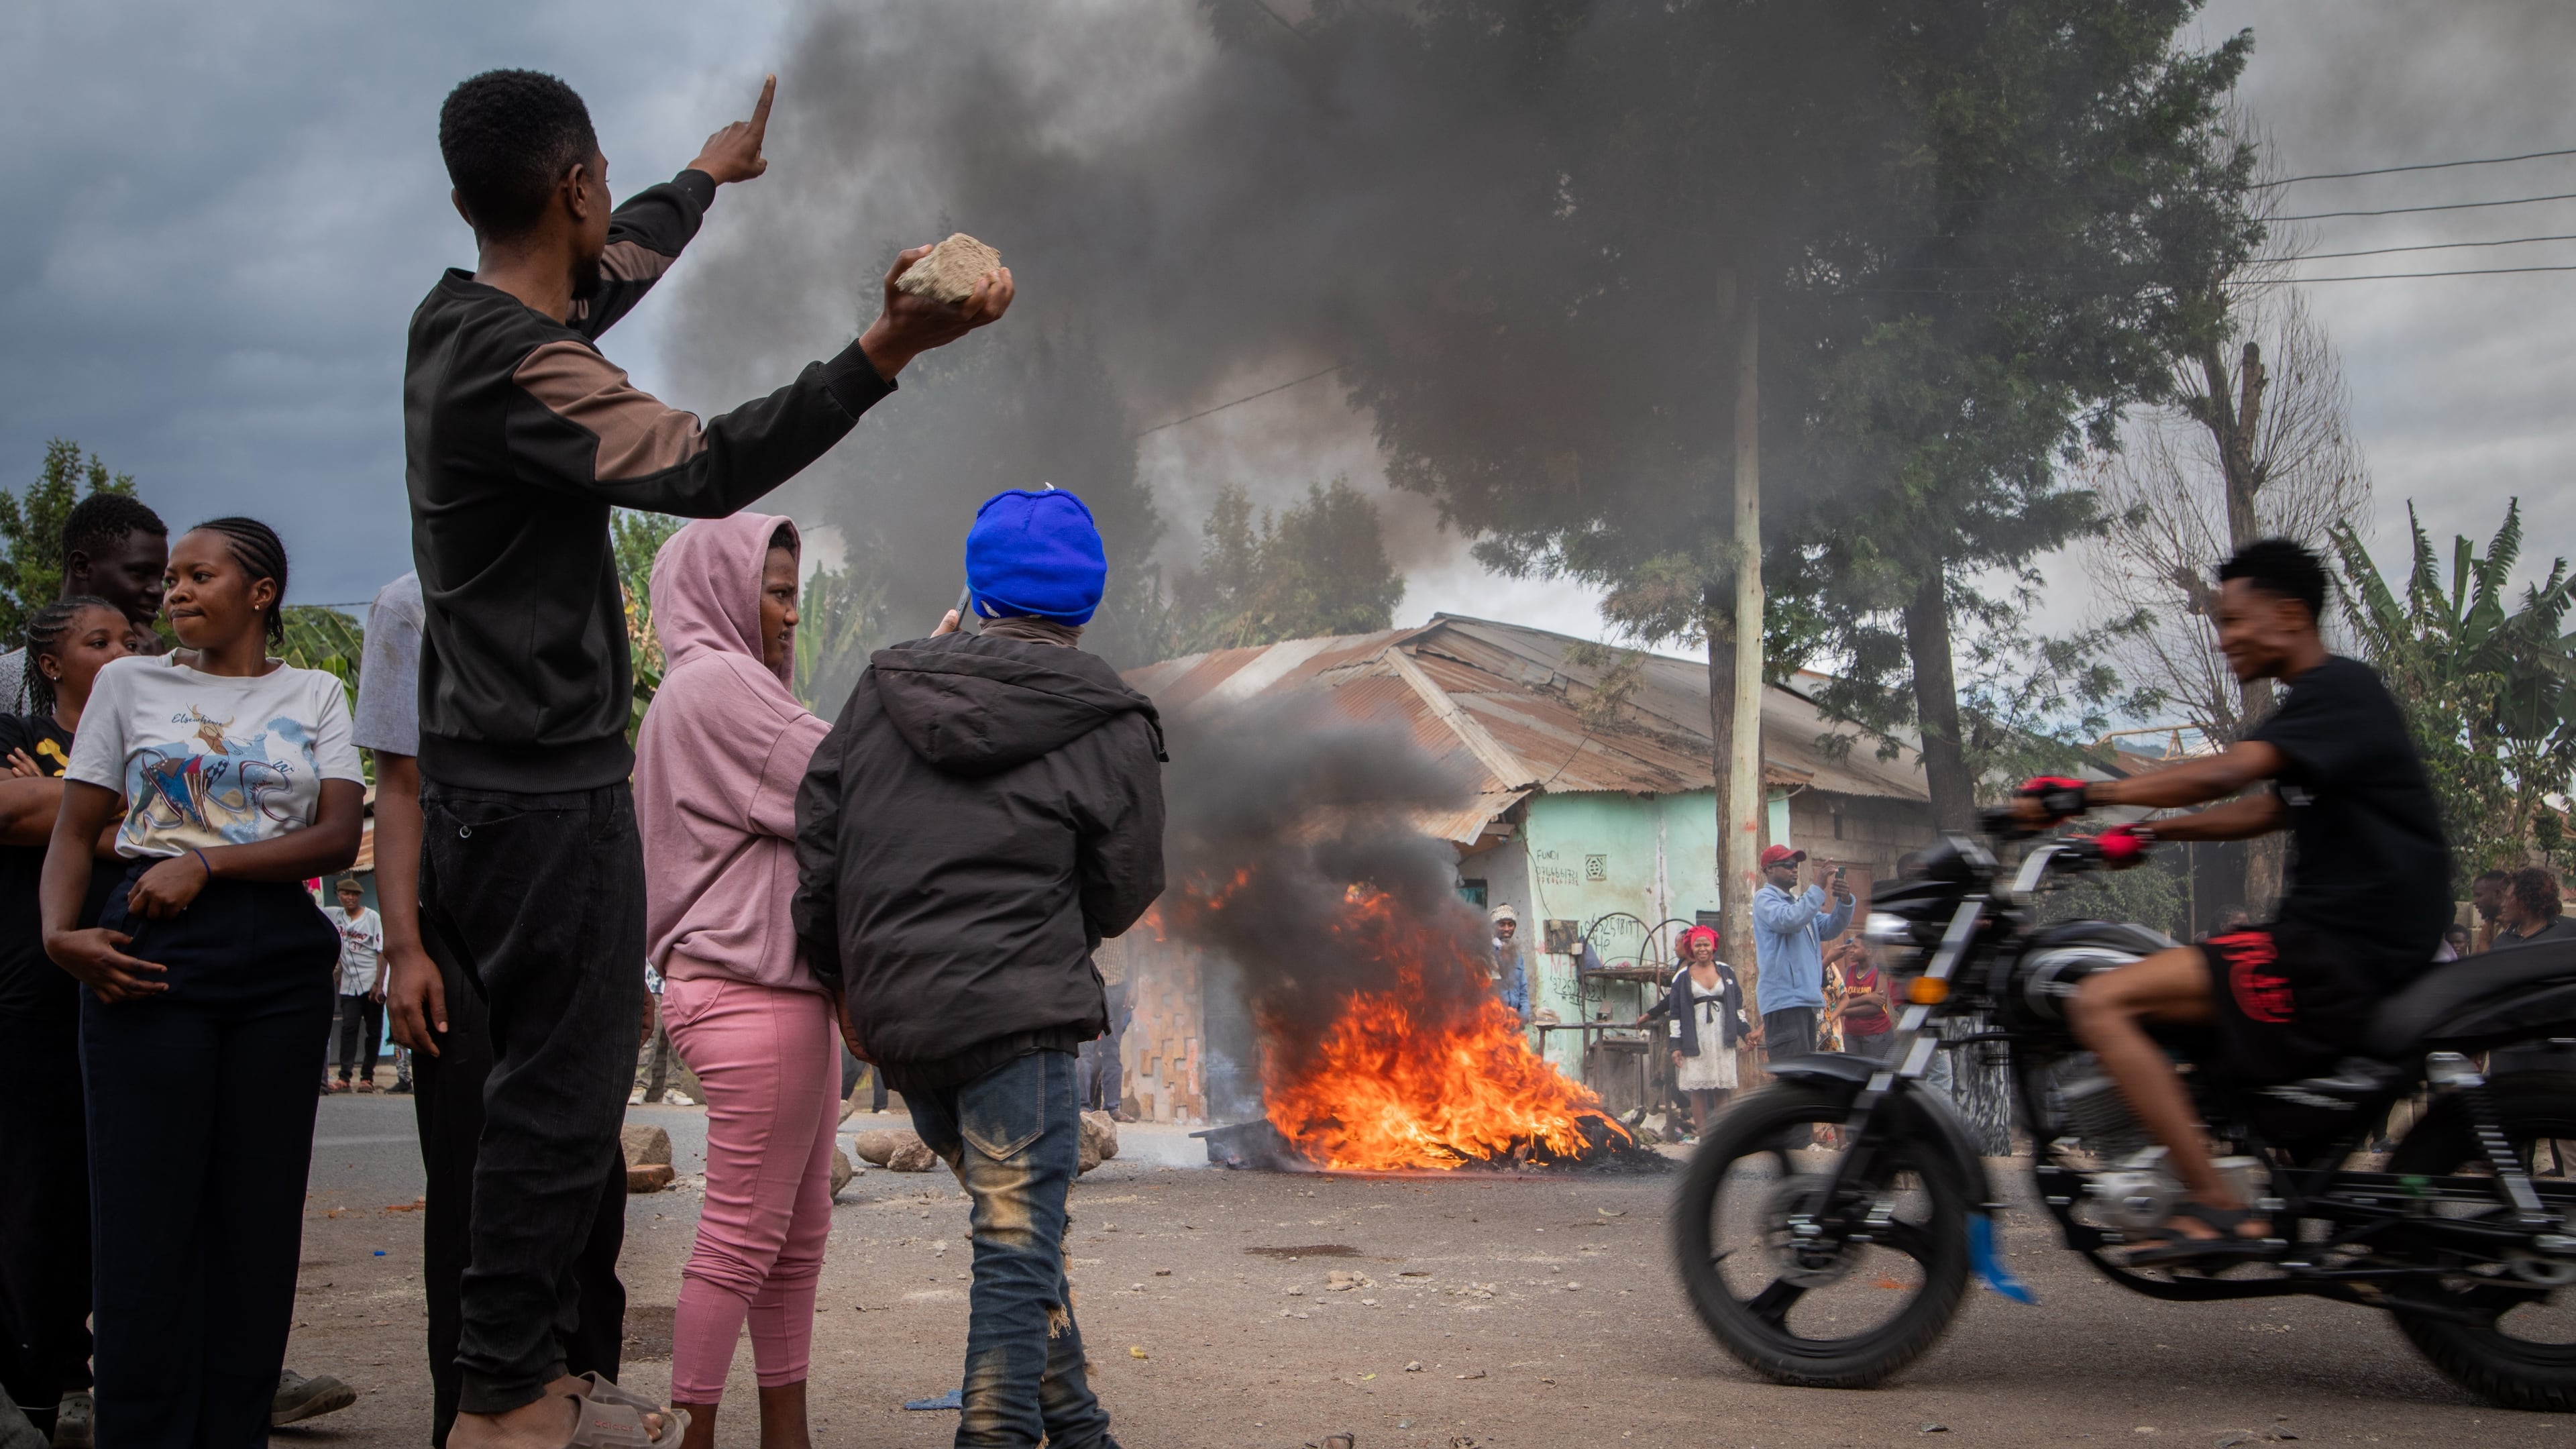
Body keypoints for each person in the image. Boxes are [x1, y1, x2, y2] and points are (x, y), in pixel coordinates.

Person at [401, 68, 1008, 1449]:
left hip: (496, 788)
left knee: (545, 1119)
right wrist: (887, 348)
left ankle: (523, 1383)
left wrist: (705, 177)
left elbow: (599, 279)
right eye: (604, 185)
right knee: (554, 1120)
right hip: (543, 799)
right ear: (573, 184)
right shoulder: (521, 367)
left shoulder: (462, 321)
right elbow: (709, 463)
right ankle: (504, 1403)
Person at [795, 488, 1163, 1449]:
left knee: (1021, 1241)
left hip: (898, 1030)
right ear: (1085, 608)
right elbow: (1122, 894)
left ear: (978, 591)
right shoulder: (1110, 719)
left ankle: (1080, 1428)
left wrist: (843, 987)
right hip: (1016, 1028)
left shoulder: (883, 687)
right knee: (1012, 1251)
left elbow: (822, 844)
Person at [2016, 539, 2449, 1263]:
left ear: (2288, 615)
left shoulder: (2338, 692)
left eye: (2234, 622)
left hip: (2340, 949)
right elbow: (2267, 809)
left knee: (2100, 1002)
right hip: (2341, 942)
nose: (2224, 640)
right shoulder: (2323, 704)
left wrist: (2085, 795)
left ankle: (2218, 1204)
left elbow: (2228, 774)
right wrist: (2148, 837)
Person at [40, 519, 366, 1448]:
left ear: (259, 593)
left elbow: (339, 836)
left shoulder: (316, 693)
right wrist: (61, 936)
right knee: (145, 1217)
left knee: (256, 1219)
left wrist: (213, 867)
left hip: (278, 960)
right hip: (149, 945)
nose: (175, 592)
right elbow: (73, 831)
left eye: (199, 575)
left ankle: (233, 1430)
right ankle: (139, 1430)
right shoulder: (129, 686)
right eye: (172, 578)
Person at [362, 570, 630, 1449]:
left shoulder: (588, 590)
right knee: (478, 1193)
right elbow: (398, 785)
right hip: (466, 933)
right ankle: (476, 1413)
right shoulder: (414, 604)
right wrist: (405, 950)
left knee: (588, 1180)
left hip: (577, 918)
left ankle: (584, 1400)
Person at [633, 515, 836, 1449]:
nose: (791, 615)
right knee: (743, 1242)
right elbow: (847, 780)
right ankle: (693, 1437)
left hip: (763, 995)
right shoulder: (719, 684)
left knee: (792, 1240)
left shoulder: (702, 689)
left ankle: (784, 1435)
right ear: (720, 591)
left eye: (796, 593)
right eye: (777, 591)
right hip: (756, 993)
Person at [0, 599, 132, 1446]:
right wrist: (125, 817)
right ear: (52, 665)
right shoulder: (13, 727)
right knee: (27, 1195)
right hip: (28, 1000)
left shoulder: (155, 733)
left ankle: (78, 1375)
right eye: (100, 642)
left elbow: (199, 819)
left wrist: (77, 810)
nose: (124, 650)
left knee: (103, 1196)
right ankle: (27, 1385)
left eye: (130, 639)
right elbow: (7, 814)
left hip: (124, 993)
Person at [0, 494, 168, 713]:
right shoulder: (7, 681)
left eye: (162, 578)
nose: (158, 591)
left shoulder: (172, 674)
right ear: (81, 566)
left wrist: (155, 678)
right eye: (140, 573)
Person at [1640, 926, 1748, 1138]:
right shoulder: (1682, 977)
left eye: (1706, 944)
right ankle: (1705, 1137)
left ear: (1713, 946)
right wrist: (1676, 1046)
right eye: (1698, 945)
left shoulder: (1726, 972)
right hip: (1695, 1037)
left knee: (1721, 1088)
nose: (1702, 949)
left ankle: (1723, 1137)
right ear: (1691, 948)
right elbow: (1676, 1013)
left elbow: (1738, 1006)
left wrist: (1745, 1032)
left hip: (1720, 1037)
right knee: (1698, 1089)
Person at [1750, 845, 1855, 1059]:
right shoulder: (1765, 899)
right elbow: (1789, 920)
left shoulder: (1799, 904)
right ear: (1769, 869)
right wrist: (1818, 887)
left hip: (1805, 1001)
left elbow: (1831, 927)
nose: (1794, 870)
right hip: (1785, 1001)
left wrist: (1844, 901)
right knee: (1794, 1075)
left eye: (1796, 865)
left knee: (1805, 1073)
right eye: (1788, 865)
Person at [324, 878, 386, 1091]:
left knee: (373, 1031)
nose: (350, 898)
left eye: (354, 894)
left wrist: (379, 984)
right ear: (339, 895)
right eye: (345, 894)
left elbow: (382, 951)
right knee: (349, 1029)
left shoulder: (372, 918)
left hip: (371, 982)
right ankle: (344, 1078)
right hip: (349, 984)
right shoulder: (336, 915)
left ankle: (367, 1078)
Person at [1079, 937, 1134, 1120]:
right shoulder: (1087, 913)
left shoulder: (1124, 917)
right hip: (1088, 985)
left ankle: (1113, 1107)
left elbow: (1133, 952)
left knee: (1112, 1049)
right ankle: (1083, 1106)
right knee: (1084, 1049)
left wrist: (1132, 986)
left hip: (1116, 987)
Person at [1825, 936, 1894, 1063]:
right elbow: (1840, 1001)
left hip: (1876, 1035)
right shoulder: (1849, 971)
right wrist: (1868, 997)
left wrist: (1843, 1010)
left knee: (1874, 1074)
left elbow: (1874, 1008)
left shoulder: (1880, 972)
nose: (1851, 950)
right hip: (1852, 1034)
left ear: (1869, 951)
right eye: (1851, 947)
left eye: (1855, 947)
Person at [2493, 867, 2575, 948]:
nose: (2503, 905)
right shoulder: (2501, 944)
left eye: (2508, 899)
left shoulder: (2570, 930)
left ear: (2525, 900)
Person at [1489, 904, 1529, 1023]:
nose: (1507, 929)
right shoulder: (1486, 951)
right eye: (1502, 924)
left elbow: (1523, 989)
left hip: (1514, 1020)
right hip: (1493, 1021)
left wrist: (1523, 1016)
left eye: (1510, 924)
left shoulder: (1517, 954)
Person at [2470, 867, 2512, 953]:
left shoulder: (2517, 927)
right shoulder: (2490, 927)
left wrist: (2483, 944)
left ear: (2498, 894)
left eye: (2479, 895)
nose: (2475, 902)